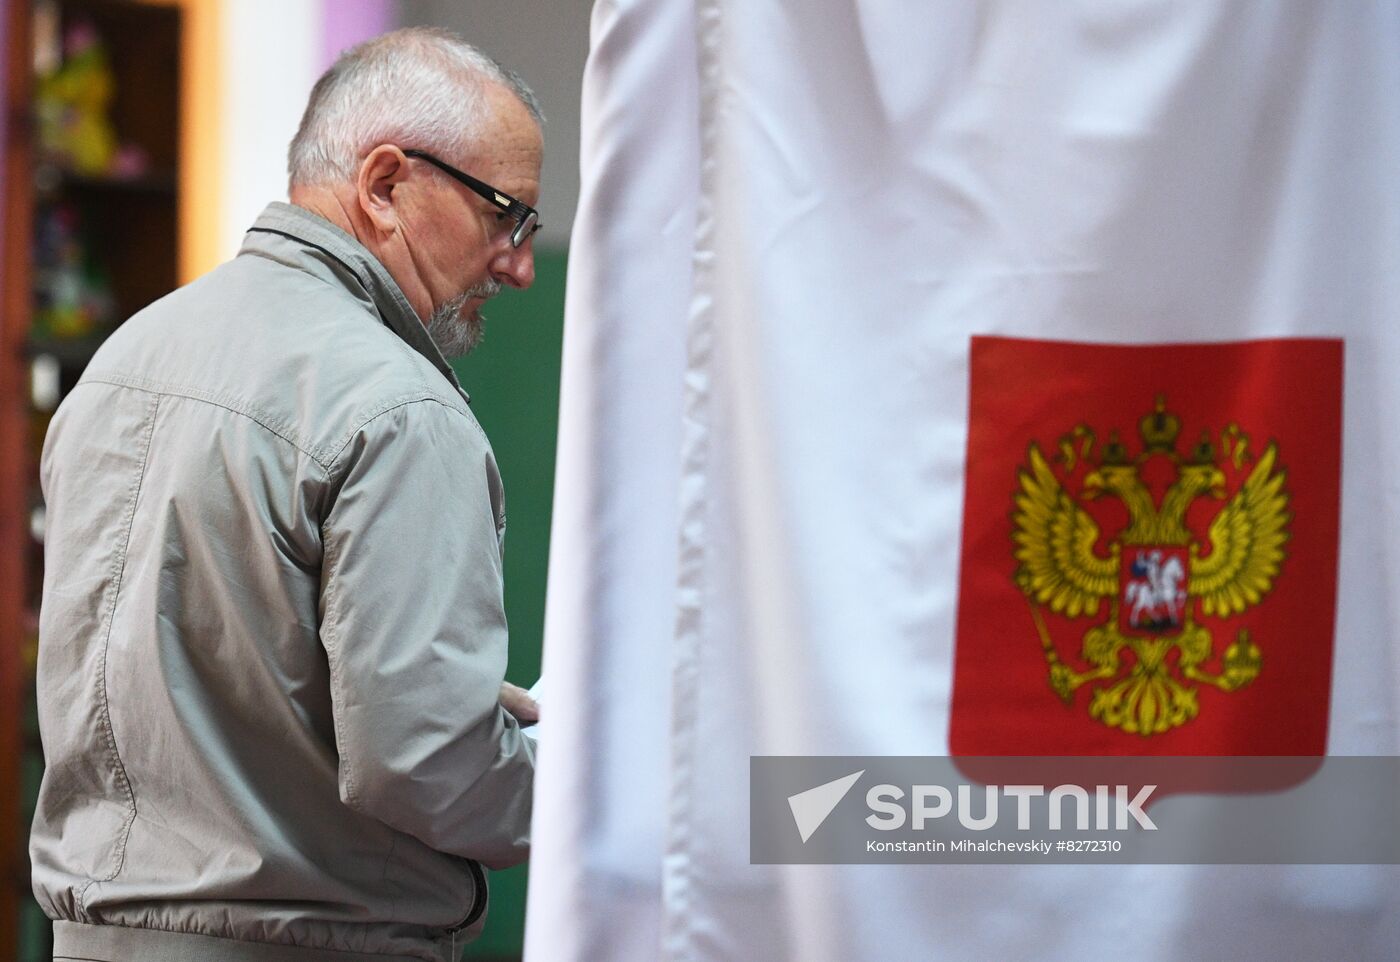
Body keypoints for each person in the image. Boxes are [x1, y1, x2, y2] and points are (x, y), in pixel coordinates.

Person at [29, 27, 543, 962]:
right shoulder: (398, 406)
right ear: (386, 184)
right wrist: (586, 784)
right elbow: (426, 765)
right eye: (507, 215)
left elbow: (216, 670)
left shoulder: (121, 361)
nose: (520, 264)